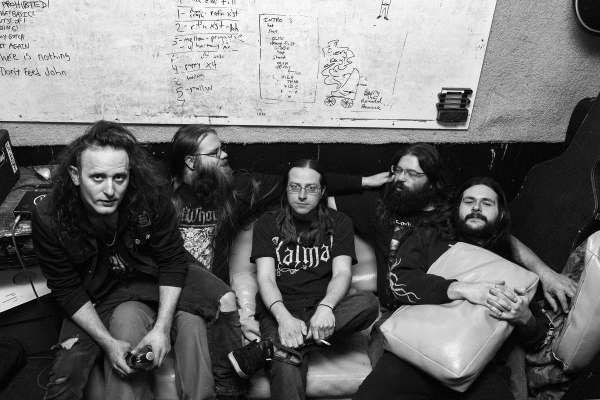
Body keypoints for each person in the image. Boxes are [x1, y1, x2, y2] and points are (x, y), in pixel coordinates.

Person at [32, 121, 246, 400]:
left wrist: (161, 329)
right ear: (75, 175)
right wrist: (108, 343)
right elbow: (66, 289)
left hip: (151, 274)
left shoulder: (151, 196)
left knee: (225, 301)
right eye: (97, 177)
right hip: (97, 293)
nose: (110, 190)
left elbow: (171, 261)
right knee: (64, 382)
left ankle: (229, 393)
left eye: (119, 178)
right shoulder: (49, 217)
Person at [328, 143, 577, 364]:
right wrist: (364, 181)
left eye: (412, 174)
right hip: (397, 312)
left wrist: (545, 273)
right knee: (390, 376)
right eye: (397, 170)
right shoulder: (378, 207)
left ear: (432, 181)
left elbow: (502, 235)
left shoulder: (452, 213)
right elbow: (313, 188)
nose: (400, 179)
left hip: (450, 310)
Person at [352, 176, 552, 400]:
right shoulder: (429, 238)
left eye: (486, 203)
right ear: (457, 208)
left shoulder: (512, 268)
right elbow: (400, 281)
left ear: (501, 214)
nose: (476, 208)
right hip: (413, 355)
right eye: (469, 201)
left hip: (479, 370)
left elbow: (540, 336)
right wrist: (461, 289)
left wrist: (524, 318)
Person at [227, 159, 379, 400]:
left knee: (368, 303)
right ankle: (280, 346)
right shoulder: (268, 222)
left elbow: (342, 273)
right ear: (286, 189)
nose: (302, 195)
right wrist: (283, 318)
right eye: (295, 187)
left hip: (324, 309)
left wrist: (326, 307)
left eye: (311, 188)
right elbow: (266, 278)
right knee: (286, 365)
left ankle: (270, 347)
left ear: (322, 191)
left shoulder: (340, 222)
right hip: (279, 310)